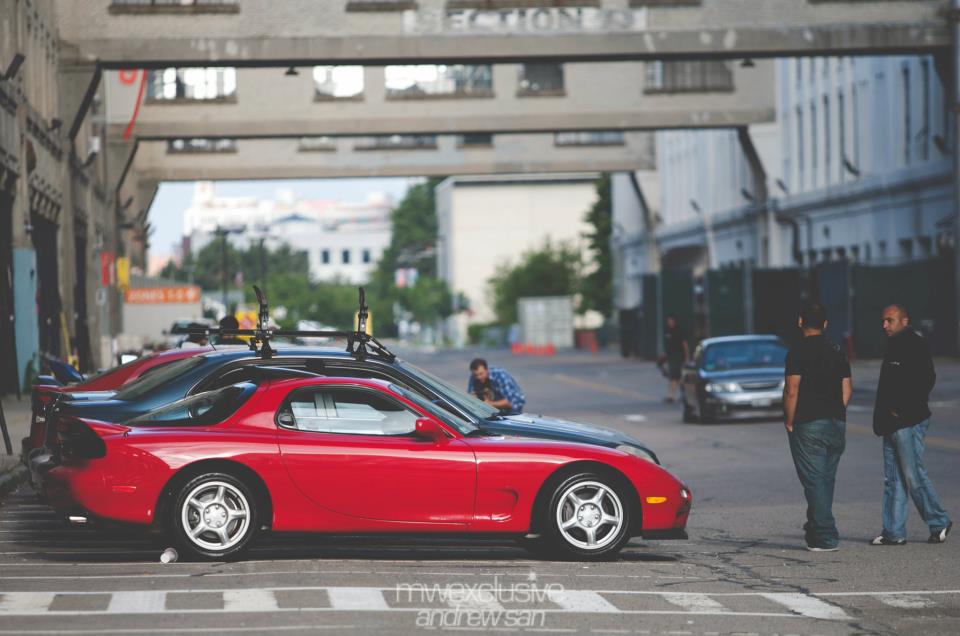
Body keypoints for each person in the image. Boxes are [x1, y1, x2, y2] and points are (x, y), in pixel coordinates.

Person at [870, 303, 952, 546]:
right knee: (893, 478)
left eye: (890, 320)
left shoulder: (914, 344)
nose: (884, 325)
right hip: (891, 423)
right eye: (883, 320)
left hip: (907, 421)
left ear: (905, 321)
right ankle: (894, 532)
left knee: (913, 474)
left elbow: (927, 379)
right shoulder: (893, 344)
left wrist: (901, 409)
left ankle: (939, 520)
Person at [783, 302, 852, 552]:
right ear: (825, 324)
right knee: (824, 480)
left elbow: (792, 390)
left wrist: (789, 420)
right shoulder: (837, 350)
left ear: (800, 321)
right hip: (836, 423)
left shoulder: (797, 351)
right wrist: (834, 411)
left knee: (814, 482)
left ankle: (825, 536)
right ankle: (814, 527)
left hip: (808, 423)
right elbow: (847, 390)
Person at [661, 314, 689, 403]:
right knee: (676, 377)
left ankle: (671, 396)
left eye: (670, 321)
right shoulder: (667, 331)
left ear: (674, 321)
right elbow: (668, 345)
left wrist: (687, 357)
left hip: (678, 356)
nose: (669, 322)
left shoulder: (679, 330)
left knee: (674, 377)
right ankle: (682, 395)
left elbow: (684, 344)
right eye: (668, 321)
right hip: (670, 356)